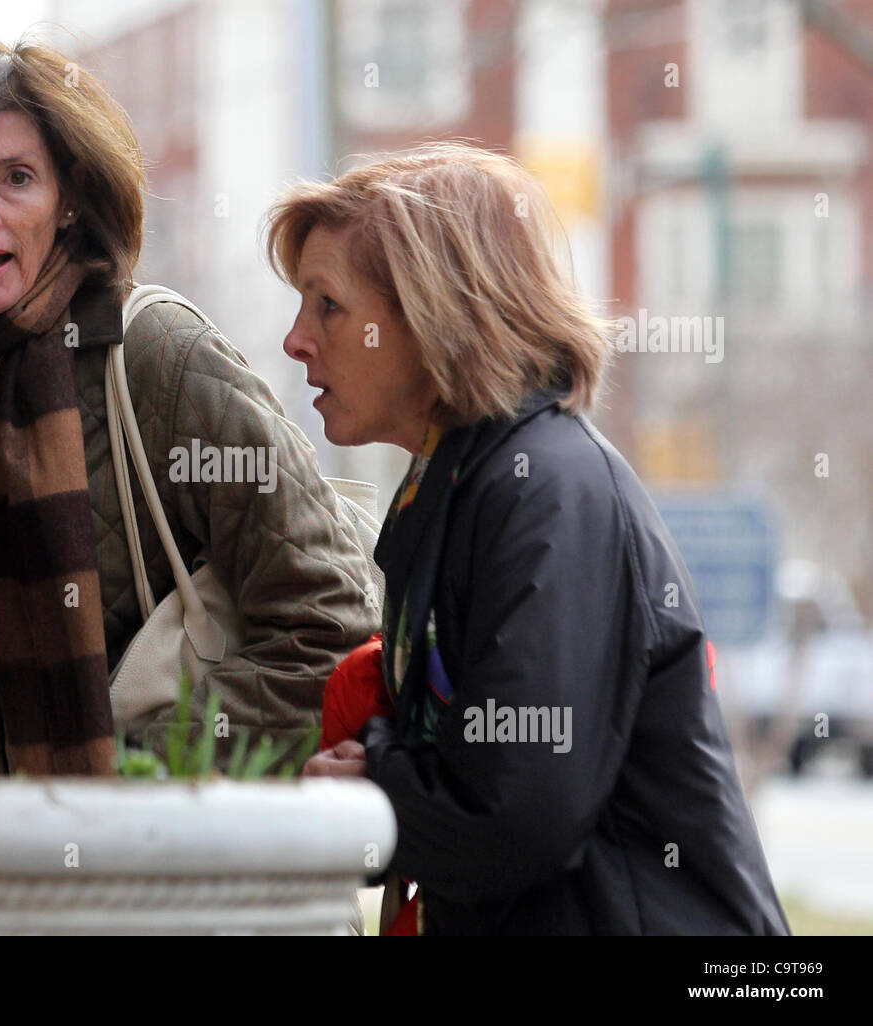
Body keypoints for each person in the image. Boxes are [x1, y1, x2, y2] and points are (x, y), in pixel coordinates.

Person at [275, 142, 790, 935]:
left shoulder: (548, 491)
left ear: (431, 311)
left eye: (328, 305)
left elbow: (518, 813)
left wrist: (376, 784)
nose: (296, 340)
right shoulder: (461, 485)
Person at [0, 39, 377, 777]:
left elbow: (333, 623)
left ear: (68, 201)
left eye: (17, 179)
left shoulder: (159, 353)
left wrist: (139, 768)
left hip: (154, 849)